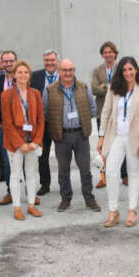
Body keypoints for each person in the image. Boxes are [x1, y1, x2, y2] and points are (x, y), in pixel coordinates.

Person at [97, 56, 139, 228]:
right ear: (121, 72)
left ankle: (132, 210)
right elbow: (105, 112)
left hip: (135, 138)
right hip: (116, 137)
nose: (128, 73)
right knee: (111, 172)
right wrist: (101, 136)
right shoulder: (114, 89)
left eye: (131, 69)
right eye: (124, 70)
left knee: (133, 173)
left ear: (136, 70)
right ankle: (113, 211)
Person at [46, 59, 101, 212]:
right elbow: (45, 112)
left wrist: (81, 119)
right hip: (61, 136)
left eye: (71, 70)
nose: (68, 73)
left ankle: (89, 199)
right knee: (63, 170)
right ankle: (65, 199)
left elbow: (92, 108)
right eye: (65, 70)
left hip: (80, 135)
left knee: (85, 169)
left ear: (74, 71)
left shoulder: (83, 87)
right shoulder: (50, 90)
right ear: (59, 71)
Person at [0, 60, 44, 220]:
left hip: (32, 140)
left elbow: (40, 120)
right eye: (20, 72)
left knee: (32, 173)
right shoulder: (7, 95)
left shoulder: (35, 94)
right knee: (16, 175)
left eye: (26, 72)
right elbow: (7, 123)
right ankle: (17, 207)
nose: (23, 75)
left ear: (29, 75)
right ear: (14, 75)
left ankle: (31, 204)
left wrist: (36, 141)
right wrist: (20, 144)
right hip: (14, 141)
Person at [91, 41, 124, 188]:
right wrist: (111, 87)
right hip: (102, 112)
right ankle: (103, 177)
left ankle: (124, 175)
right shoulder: (97, 70)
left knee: (121, 143)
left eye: (110, 52)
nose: (108, 54)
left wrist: (105, 86)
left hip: (118, 112)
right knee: (103, 145)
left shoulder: (121, 68)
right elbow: (93, 89)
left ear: (115, 53)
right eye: (105, 52)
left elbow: (123, 86)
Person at [31, 49, 60, 196]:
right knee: (42, 155)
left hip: (61, 123)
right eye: (47, 60)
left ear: (57, 61)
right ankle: (45, 183)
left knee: (63, 155)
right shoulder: (35, 76)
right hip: (42, 123)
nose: (49, 63)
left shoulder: (65, 75)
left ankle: (64, 182)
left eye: (52, 60)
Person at [0, 49, 17, 205]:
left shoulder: (23, 78)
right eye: (5, 61)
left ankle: (30, 191)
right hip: (4, 129)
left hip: (22, 128)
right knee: (7, 162)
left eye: (10, 60)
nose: (8, 63)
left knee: (26, 161)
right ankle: (10, 192)